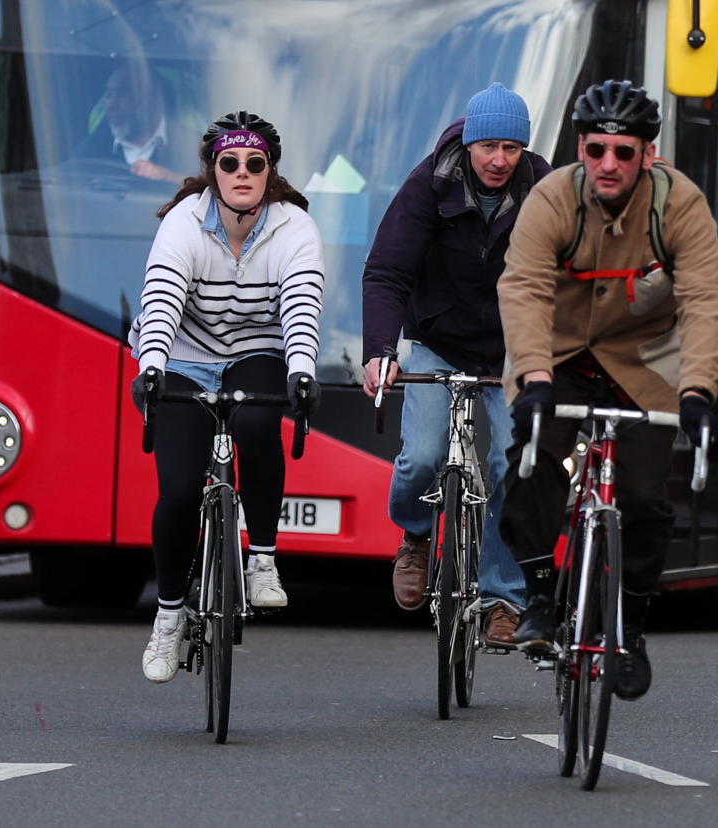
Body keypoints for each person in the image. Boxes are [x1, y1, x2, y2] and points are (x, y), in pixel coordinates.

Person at [498, 79, 718, 699]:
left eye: (624, 153)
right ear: (581, 147)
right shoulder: (551, 198)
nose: (608, 164)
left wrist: (699, 393)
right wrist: (536, 379)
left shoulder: (678, 204)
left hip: (646, 362)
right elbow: (523, 288)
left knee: (645, 499)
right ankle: (541, 595)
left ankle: (630, 626)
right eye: (596, 149)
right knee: (531, 458)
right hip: (560, 353)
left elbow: (707, 300)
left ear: (647, 156)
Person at [128, 111, 325, 683]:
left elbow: (301, 307)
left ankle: (262, 559)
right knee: (180, 489)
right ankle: (168, 617)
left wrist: (302, 372)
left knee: (261, 428)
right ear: (212, 171)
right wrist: (153, 366)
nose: (242, 172)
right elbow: (162, 295)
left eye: (255, 164)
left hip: (255, 349)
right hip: (183, 355)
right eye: (229, 163)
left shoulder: (293, 228)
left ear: (270, 172)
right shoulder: (184, 221)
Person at [362, 82, 553, 647]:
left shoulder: (545, 190)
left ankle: (502, 596)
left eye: (511, 149)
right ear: (469, 143)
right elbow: (387, 272)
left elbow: (566, 277)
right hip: (436, 339)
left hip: (513, 345)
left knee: (508, 464)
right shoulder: (430, 184)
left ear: (524, 151)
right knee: (421, 455)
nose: (499, 160)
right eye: (488, 146)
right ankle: (416, 537)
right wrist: (379, 350)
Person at [75, 64, 190, 183]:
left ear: (152, 99)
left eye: (123, 95)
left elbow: (208, 186)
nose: (110, 104)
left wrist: (168, 176)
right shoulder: (96, 145)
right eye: (109, 95)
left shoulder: (189, 143)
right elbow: (67, 178)